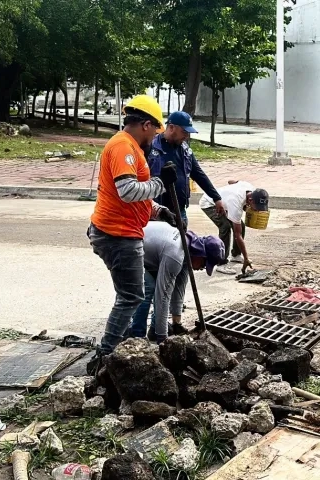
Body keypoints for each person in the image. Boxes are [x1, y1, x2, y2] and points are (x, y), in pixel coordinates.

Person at [87, 94, 176, 373]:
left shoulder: (131, 148)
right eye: (156, 131)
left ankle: (114, 348)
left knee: (130, 294)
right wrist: (161, 183)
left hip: (122, 231)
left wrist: (158, 210)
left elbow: (135, 197)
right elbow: (127, 192)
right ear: (146, 125)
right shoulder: (123, 147)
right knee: (131, 295)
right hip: (117, 234)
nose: (156, 138)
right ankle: (106, 355)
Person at [129, 206, 226, 342]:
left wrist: (177, 323)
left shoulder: (188, 249)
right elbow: (163, 297)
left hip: (143, 250)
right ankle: (136, 336)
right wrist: (164, 341)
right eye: (205, 264)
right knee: (149, 287)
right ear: (201, 254)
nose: (203, 268)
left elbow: (178, 288)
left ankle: (154, 331)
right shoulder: (176, 255)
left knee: (160, 286)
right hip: (125, 246)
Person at [146, 111, 226, 227]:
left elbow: (198, 174)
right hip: (158, 213)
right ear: (172, 127)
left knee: (181, 244)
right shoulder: (151, 148)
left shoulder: (184, 150)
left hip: (180, 211)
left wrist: (216, 197)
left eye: (188, 133)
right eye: (184, 132)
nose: (187, 136)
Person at [201, 180, 269, 275]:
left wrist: (228, 191)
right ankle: (221, 263)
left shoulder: (250, 188)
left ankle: (236, 255)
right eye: (256, 207)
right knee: (225, 227)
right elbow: (238, 235)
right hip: (209, 202)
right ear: (250, 200)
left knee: (241, 225)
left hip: (225, 201)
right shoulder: (235, 202)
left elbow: (231, 181)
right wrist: (246, 258)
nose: (257, 210)